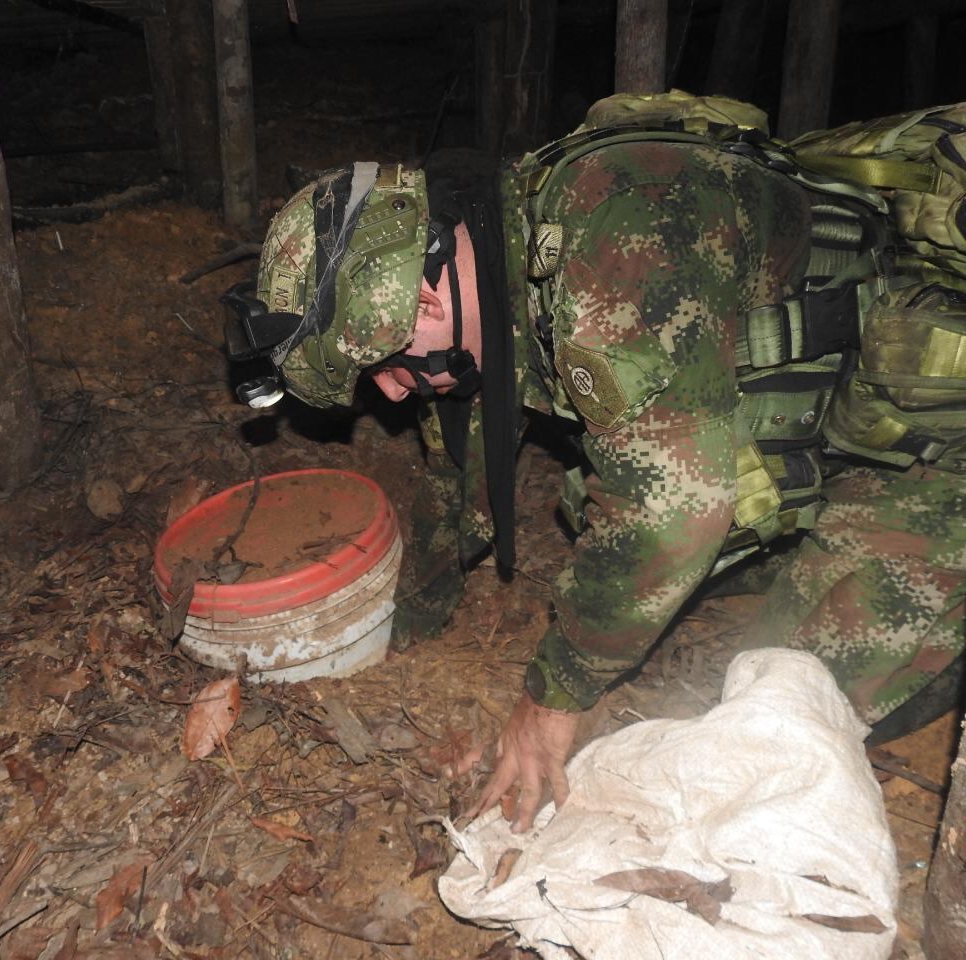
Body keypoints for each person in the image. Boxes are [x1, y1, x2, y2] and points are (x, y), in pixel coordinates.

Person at [221, 98, 966, 833]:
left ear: (422, 300)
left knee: (768, 714)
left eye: (382, 364)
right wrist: (406, 624)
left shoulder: (611, 253)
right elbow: (457, 465)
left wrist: (549, 702)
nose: (385, 391)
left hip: (936, 428)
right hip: (839, 397)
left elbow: (671, 518)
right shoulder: (500, 236)